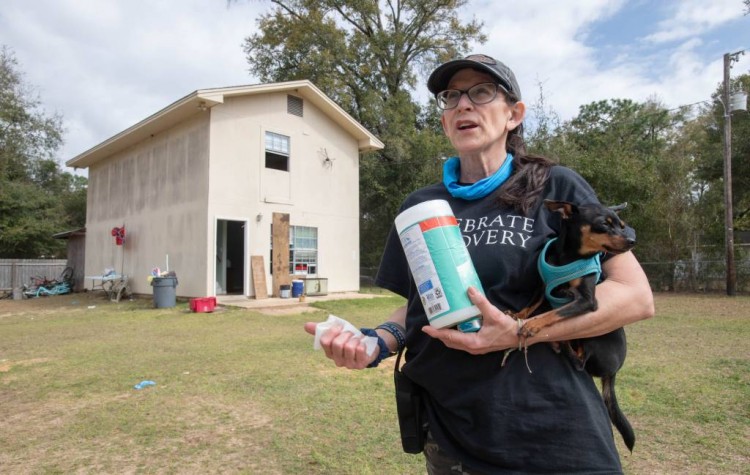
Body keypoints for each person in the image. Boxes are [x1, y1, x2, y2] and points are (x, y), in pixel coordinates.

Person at [304, 53, 654, 474]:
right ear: (444, 120)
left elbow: (634, 297)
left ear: (513, 114)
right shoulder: (420, 207)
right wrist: (377, 341)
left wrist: (519, 334)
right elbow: (420, 307)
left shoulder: (555, 187)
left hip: (552, 427)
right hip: (452, 435)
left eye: (481, 92)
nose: (463, 105)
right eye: (451, 98)